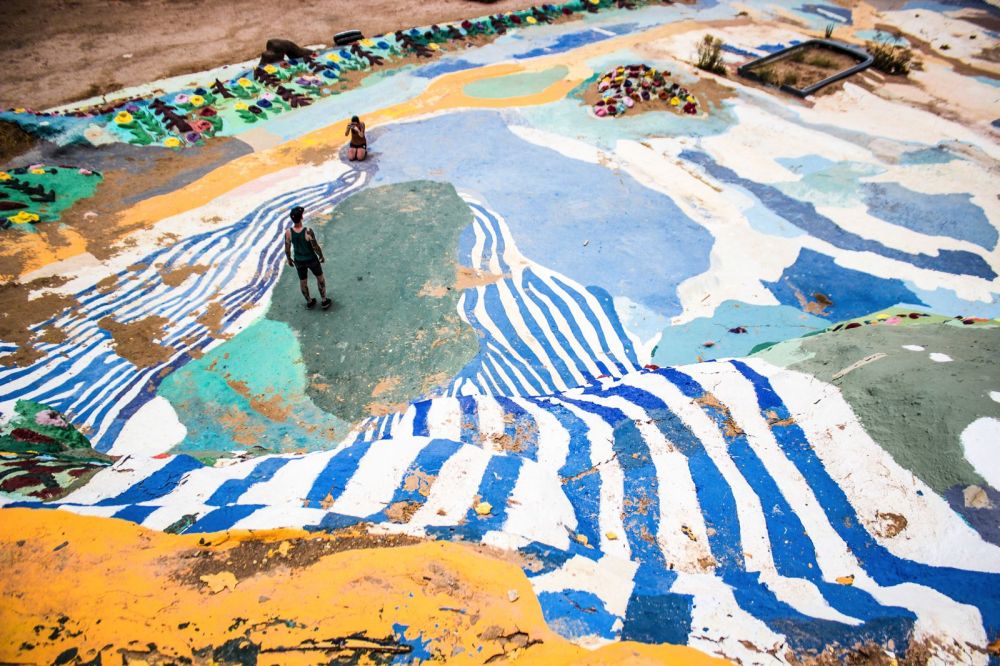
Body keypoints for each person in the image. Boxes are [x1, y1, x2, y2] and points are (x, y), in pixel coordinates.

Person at [283, 205, 331, 309]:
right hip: (311, 259)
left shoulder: (288, 233)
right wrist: (321, 256)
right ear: (302, 217)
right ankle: (324, 300)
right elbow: (315, 246)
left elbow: (287, 248)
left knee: (303, 281)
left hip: (299, 261)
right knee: (320, 278)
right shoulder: (307, 231)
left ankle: (309, 301)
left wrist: (289, 259)